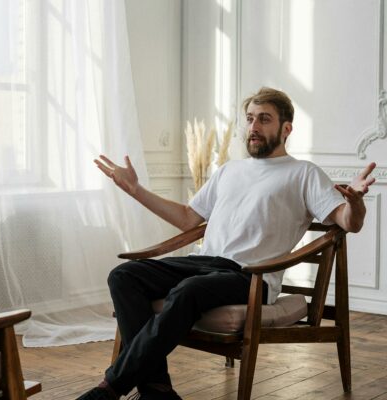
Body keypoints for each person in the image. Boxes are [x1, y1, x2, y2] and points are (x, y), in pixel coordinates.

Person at [77, 87, 376, 400]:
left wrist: (355, 201)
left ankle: (109, 389)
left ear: (286, 129)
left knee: (188, 290)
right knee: (123, 276)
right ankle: (158, 390)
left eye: (264, 119)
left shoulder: (303, 174)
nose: (253, 127)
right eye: (249, 119)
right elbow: (187, 218)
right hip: (203, 264)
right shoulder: (229, 170)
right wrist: (136, 190)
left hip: (250, 276)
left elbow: (348, 222)